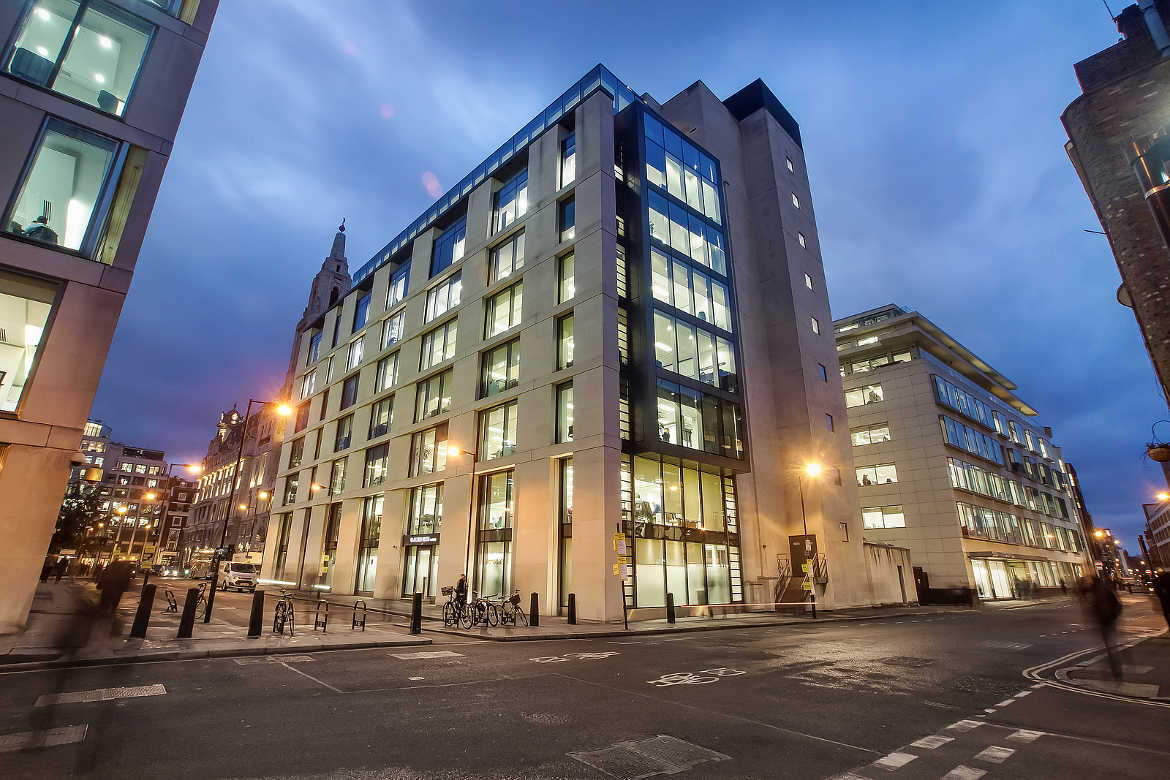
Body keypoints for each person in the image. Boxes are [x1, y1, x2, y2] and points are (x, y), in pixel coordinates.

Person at [1081, 575, 1123, 680]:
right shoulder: (1102, 591)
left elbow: (1092, 606)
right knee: (1109, 645)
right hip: (1107, 621)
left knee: (1109, 646)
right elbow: (1118, 605)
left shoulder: (1098, 592)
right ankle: (1113, 668)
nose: (1089, 583)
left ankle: (1114, 668)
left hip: (1105, 622)